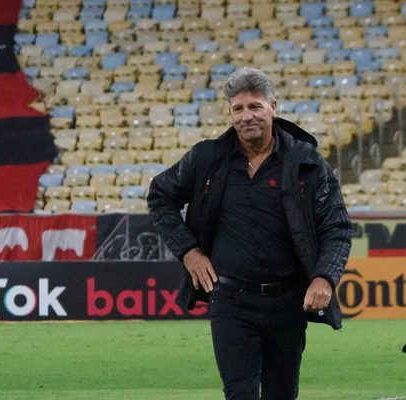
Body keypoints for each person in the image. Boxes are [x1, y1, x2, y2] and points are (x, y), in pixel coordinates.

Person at [147, 67, 352, 400]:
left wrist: (325, 278)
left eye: (255, 106)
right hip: (230, 301)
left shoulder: (307, 162)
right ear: (230, 114)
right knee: (239, 394)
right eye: (238, 109)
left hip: (288, 301)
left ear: (273, 106)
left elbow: (337, 227)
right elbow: (160, 196)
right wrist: (188, 251)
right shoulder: (206, 157)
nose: (246, 116)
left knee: (281, 394)